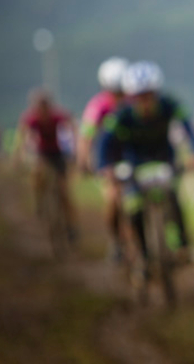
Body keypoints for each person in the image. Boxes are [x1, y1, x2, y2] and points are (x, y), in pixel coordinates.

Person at [97, 61, 194, 266]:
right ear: (131, 97)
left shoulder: (169, 105)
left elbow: (189, 126)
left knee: (172, 197)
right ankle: (143, 253)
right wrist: (105, 166)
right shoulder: (122, 114)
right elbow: (104, 141)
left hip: (164, 158)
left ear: (156, 93)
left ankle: (183, 245)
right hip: (134, 162)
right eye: (139, 97)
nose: (145, 101)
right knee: (133, 207)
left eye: (149, 95)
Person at [77, 56, 128, 260]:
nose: (119, 95)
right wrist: (84, 161)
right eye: (115, 91)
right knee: (113, 199)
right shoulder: (98, 106)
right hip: (109, 157)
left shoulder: (134, 102)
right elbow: (86, 136)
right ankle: (116, 241)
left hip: (132, 154)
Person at [12, 88, 79, 240]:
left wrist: (75, 148)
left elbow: (73, 126)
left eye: (45, 106)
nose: (42, 110)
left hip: (58, 154)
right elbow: (21, 136)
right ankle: (40, 201)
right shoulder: (31, 118)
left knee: (64, 192)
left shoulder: (58, 116)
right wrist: (18, 156)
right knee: (37, 175)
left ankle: (71, 226)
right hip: (42, 153)